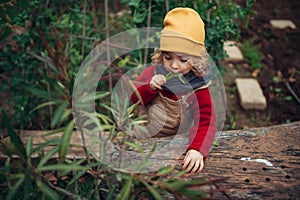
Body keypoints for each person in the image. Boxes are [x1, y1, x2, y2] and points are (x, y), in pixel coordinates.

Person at [130, 7, 216, 173]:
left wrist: (197, 149)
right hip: (144, 137)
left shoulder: (197, 88)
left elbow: (206, 120)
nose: (174, 65)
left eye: (183, 59)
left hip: (175, 143)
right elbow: (134, 99)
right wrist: (150, 87)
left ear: (196, 60)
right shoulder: (155, 72)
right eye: (168, 57)